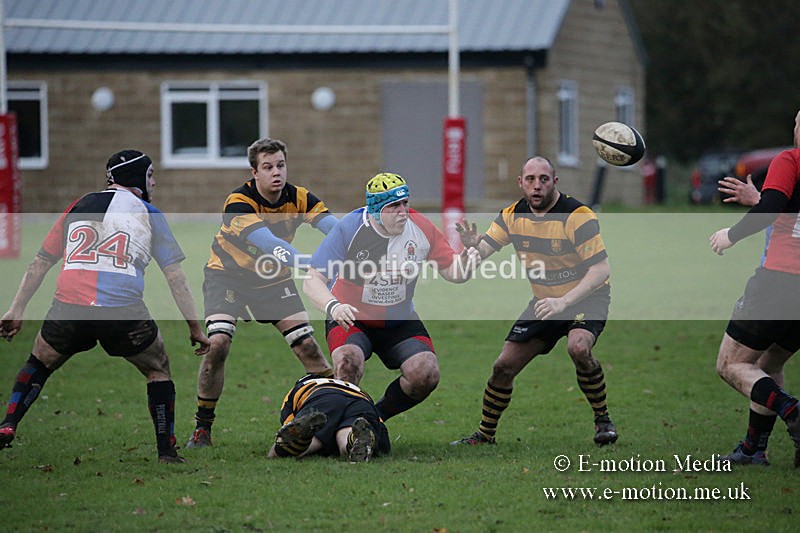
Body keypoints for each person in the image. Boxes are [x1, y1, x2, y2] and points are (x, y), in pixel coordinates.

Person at [0, 150, 210, 464]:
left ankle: (8, 424)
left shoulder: (78, 204)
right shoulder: (149, 213)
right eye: (150, 175)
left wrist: (16, 309)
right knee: (157, 369)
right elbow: (176, 277)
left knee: (39, 363)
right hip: (121, 310)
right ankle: (166, 451)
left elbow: (39, 263)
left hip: (70, 306)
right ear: (136, 178)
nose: (154, 182)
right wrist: (194, 326)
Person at [451, 156, 617, 447]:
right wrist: (470, 250)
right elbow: (477, 258)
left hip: (586, 297)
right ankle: (485, 435)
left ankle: (602, 419)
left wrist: (564, 302)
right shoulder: (511, 215)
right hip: (545, 301)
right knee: (503, 366)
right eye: (530, 179)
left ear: (555, 182)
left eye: (543, 179)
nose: (536, 186)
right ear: (521, 183)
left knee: (578, 347)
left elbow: (601, 269)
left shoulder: (577, 215)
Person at [185, 138, 335, 449]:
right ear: (254, 172)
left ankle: (333, 417)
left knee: (308, 347)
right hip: (228, 278)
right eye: (267, 167)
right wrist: (308, 262)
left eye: (280, 165)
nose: (276, 172)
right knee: (219, 343)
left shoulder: (300, 197)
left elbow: (336, 229)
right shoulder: (238, 202)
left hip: (272, 281)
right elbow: (269, 244)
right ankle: (202, 428)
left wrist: (365, 244)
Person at [302, 172, 480, 421]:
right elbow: (312, 281)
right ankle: (341, 429)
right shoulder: (350, 228)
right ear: (376, 210)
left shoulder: (421, 227)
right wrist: (333, 306)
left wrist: (470, 259)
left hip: (398, 320)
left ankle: (373, 419)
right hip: (351, 318)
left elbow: (454, 272)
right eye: (394, 206)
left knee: (425, 373)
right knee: (347, 364)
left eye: (405, 203)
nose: (403, 211)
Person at [710, 109, 800, 468]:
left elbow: (775, 206)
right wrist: (759, 199)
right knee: (767, 362)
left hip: (781, 280)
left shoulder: (790, 159)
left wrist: (730, 235)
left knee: (731, 364)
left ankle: (792, 410)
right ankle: (753, 449)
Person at [267, 373, 390, 462]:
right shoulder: (354, 388)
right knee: (349, 432)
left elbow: (289, 425)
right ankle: (353, 440)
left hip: (322, 396)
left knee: (312, 438)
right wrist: (380, 442)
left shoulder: (299, 388)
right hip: (361, 401)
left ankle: (300, 441)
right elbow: (380, 426)